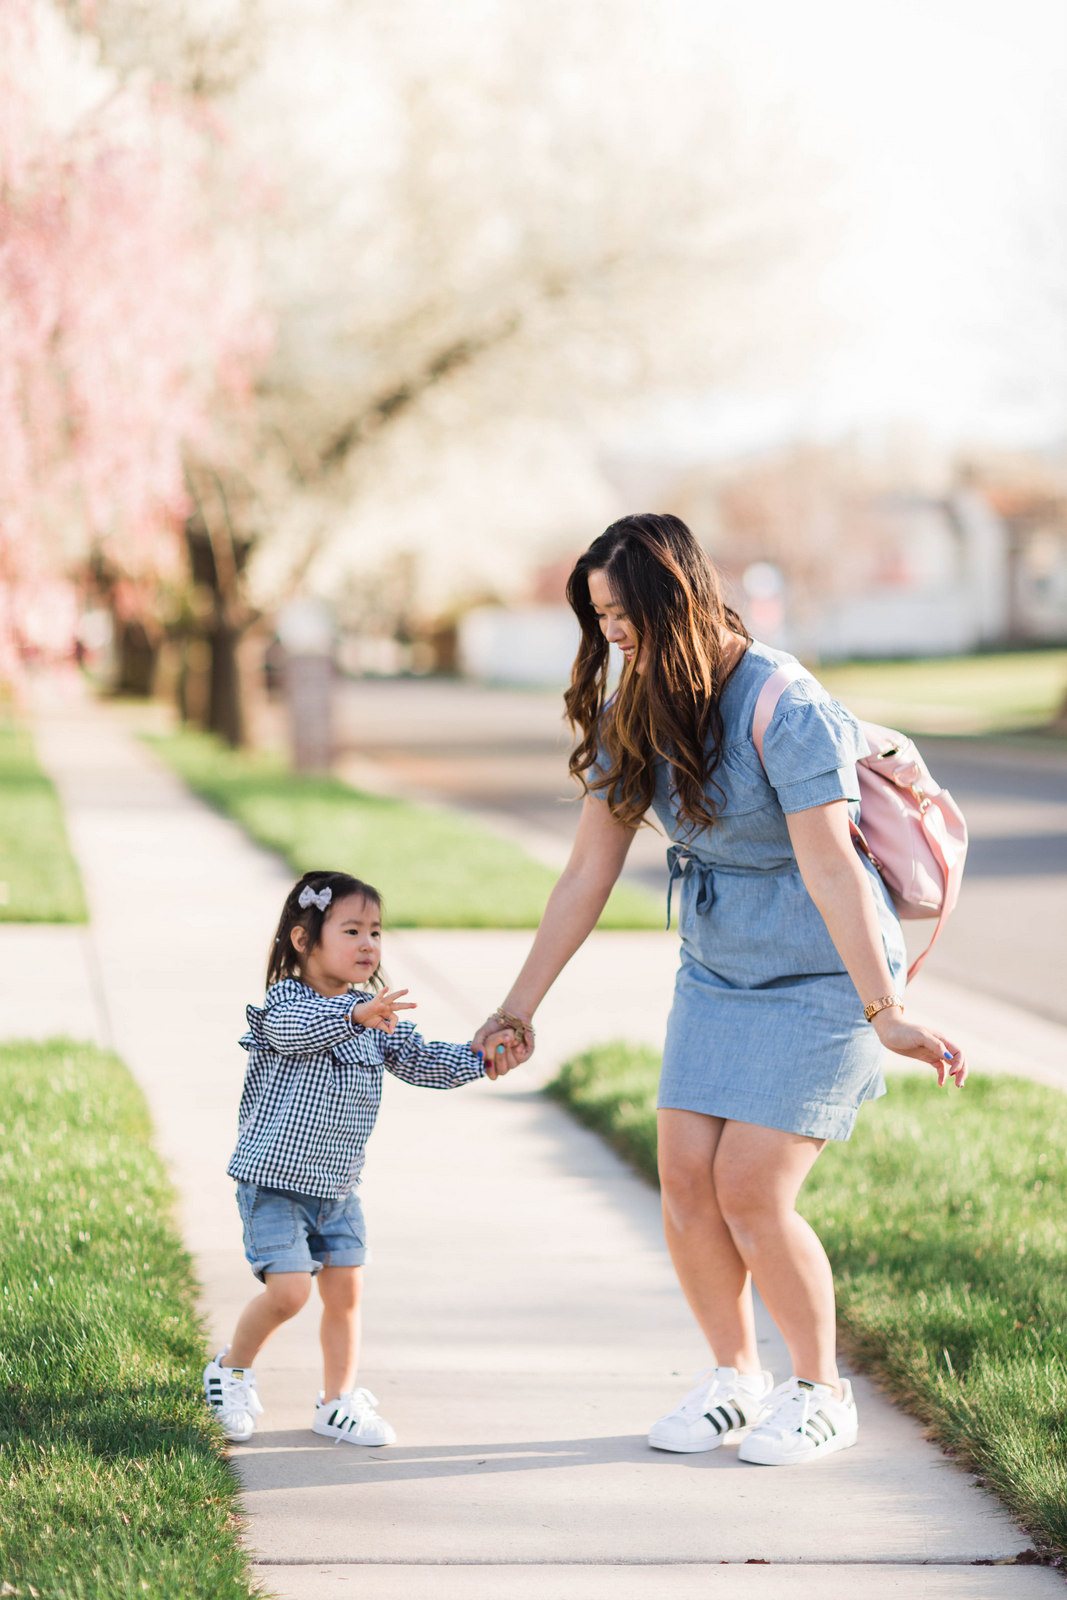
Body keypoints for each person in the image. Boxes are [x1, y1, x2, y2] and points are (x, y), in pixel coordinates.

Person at [473, 513, 966, 1467]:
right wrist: (517, 1006)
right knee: (686, 1184)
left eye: (623, 613)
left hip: (828, 972)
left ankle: (821, 1391)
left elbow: (830, 871)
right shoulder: (634, 707)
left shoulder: (783, 704)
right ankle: (734, 1379)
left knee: (750, 1189)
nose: (610, 632)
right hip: (719, 970)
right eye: (598, 616)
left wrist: (887, 1011)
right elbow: (585, 875)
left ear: (677, 597)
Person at [204, 868, 512, 1447]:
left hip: (338, 1190)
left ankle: (338, 1401)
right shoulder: (286, 1003)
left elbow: (420, 1060)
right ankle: (230, 1370)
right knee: (290, 1293)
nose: (369, 944)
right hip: (274, 1183)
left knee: (345, 1295)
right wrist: (353, 1016)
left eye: (375, 931)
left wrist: (482, 1058)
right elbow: (299, 1033)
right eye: (351, 930)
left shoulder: (372, 1015)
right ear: (304, 940)